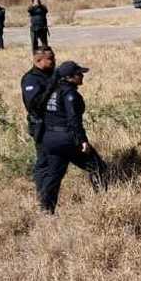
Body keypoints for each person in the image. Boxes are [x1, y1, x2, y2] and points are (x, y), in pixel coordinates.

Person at [33, 60, 108, 213]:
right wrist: (82, 141)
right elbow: (74, 120)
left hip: (50, 139)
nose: (82, 76)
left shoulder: (51, 91)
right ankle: (103, 203)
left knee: (54, 175)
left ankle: (46, 209)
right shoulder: (69, 94)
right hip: (67, 139)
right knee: (97, 167)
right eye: (79, 73)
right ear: (69, 77)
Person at [21, 46, 56, 141]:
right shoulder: (31, 79)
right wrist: (51, 88)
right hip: (43, 127)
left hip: (59, 125)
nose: (53, 60)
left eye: (53, 57)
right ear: (38, 60)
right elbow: (34, 104)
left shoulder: (54, 75)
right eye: (50, 58)